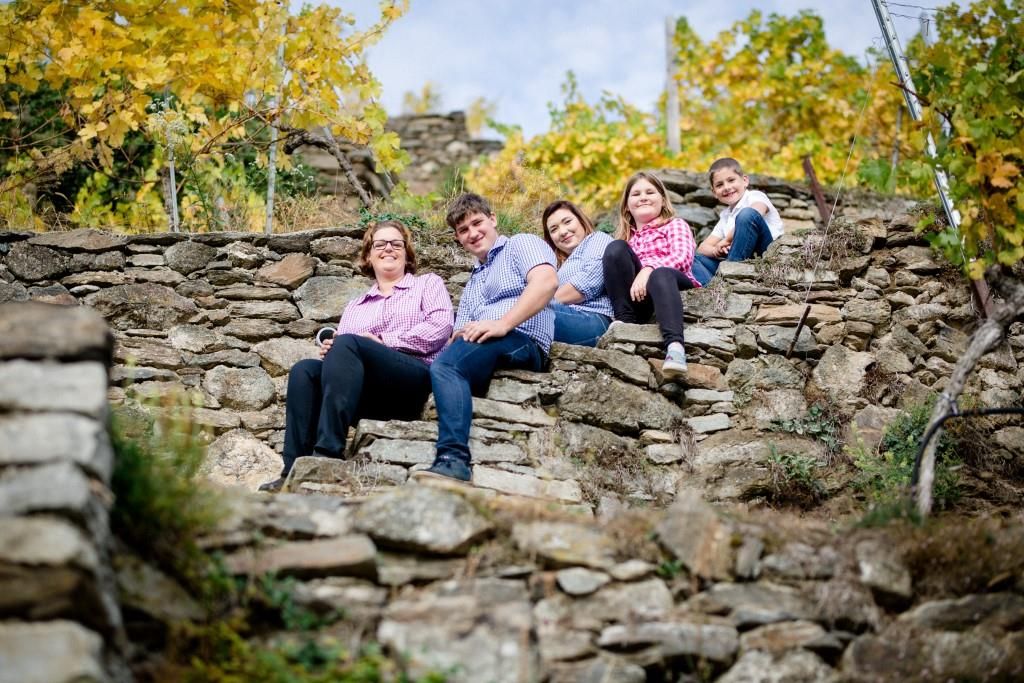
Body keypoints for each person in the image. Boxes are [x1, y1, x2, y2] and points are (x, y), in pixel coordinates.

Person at [259, 220, 453, 492]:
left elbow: (441, 327)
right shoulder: (356, 306)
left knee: (349, 342)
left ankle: (327, 452)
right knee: (305, 370)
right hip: (365, 395)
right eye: (380, 244)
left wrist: (384, 341)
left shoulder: (427, 285)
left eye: (396, 244)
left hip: (413, 380)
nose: (389, 248)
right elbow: (343, 362)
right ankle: (292, 470)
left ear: (407, 254)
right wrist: (332, 352)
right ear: (368, 255)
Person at [413, 193, 558, 483]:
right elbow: (458, 335)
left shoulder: (521, 244)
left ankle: (453, 459)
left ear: (493, 220)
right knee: (445, 364)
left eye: (477, 223)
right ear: (458, 238)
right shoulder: (473, 282)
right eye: (463, 230)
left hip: (523, 338)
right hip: (486, 345)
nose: (473, 233)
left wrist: (503, 323)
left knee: (446, 367)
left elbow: (546, 282)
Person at [601, 171, 699, 380]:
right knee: (615, 248)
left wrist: (648, 269)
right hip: (639, 297)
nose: (643, 197)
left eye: (650, 192)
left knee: (660, 274)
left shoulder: (675, 225)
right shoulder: (626, 240)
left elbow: (683, 258)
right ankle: (625, 321)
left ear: (662, 200)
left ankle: (675, 348)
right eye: (636, 194)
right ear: (627, 206)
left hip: (672, 283)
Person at [692, 157, 785, 286]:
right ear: (714, 192)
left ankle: (728, 276)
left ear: (745, 180)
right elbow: (702, 248)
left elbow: (755, 213)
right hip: (735, 256)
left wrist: (726, 240)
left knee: (746, 214)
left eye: (731, 180)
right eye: (720, 185)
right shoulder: (725, 216)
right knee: (693, 259)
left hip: (763, 252)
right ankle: (710, 289)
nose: (727, 187)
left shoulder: (754, 196)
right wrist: (716, 251)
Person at [541, 199, 614, 347]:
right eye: (554, 229)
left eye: (567, 221)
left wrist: (537, 302)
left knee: (527, 314)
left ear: (581, 220)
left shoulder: (597, 239)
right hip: (563, 315)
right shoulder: (554, 266)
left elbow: (588, 283)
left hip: (593, 319)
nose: (562, 232)